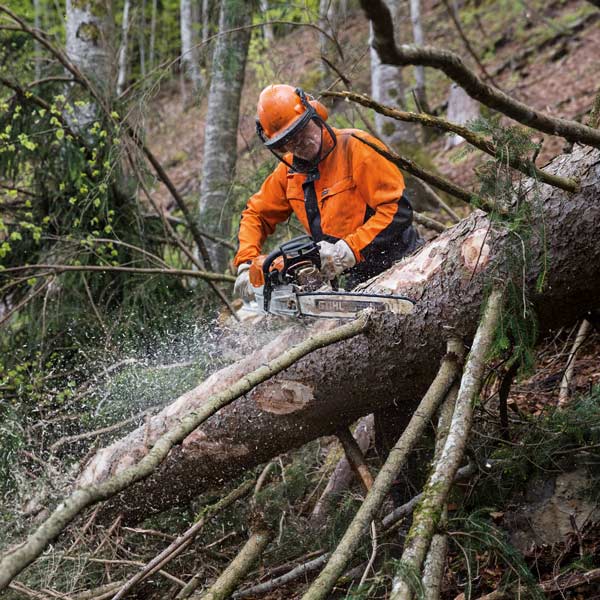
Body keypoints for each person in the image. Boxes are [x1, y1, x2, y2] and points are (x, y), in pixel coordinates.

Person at [233, 84, 420, 300]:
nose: (300, 142)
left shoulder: (356, 147)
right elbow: (256, 213)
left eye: (301, 130)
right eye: (288, 140)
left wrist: (348, 250)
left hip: (403, 259)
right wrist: (247, 262)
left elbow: (398, 211)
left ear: (314, 114)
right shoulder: (288, 172)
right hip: (358, 279)